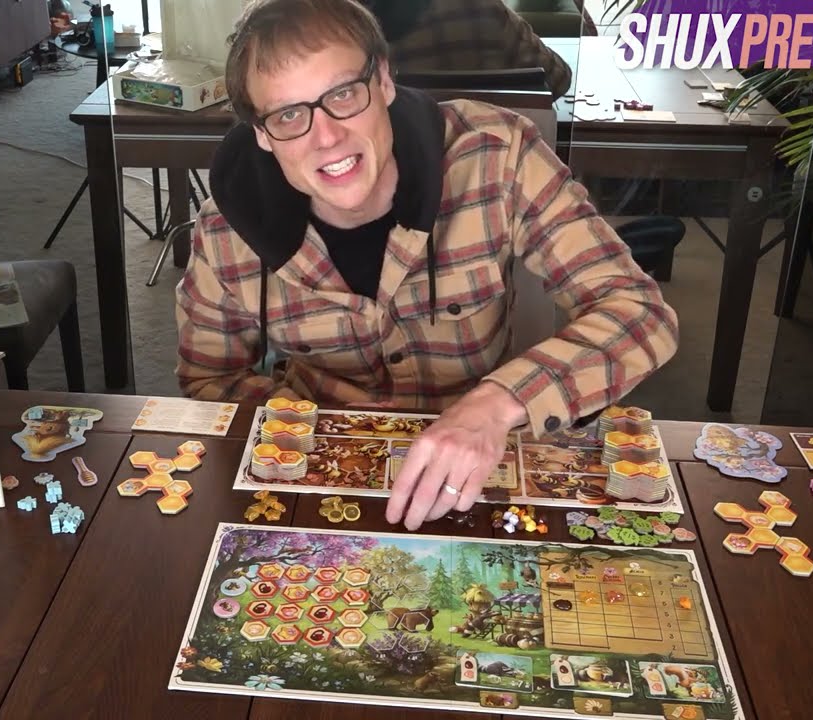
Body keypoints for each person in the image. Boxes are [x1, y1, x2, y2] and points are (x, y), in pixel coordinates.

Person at [174, 0, 679, 530]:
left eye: (343, 94)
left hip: (485, 468)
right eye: (289, 115)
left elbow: (639, 312)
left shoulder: (497, 152)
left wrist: (496, 404)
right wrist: (310, 434)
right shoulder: (225, 229)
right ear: (261, 132)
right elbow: (209, 379)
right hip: (323, 477)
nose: (326, 137)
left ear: (383, 80)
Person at [359, 0, 573, 100]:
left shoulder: (351, 31)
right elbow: (559, 78)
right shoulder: (483, 7)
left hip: (406, 170)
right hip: (495, 164)